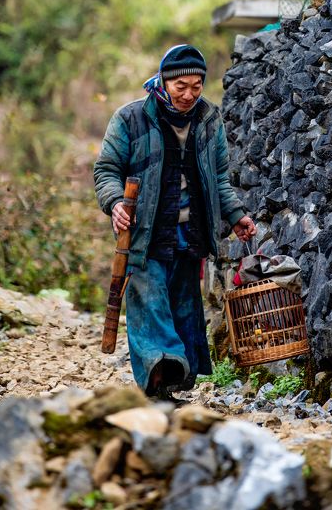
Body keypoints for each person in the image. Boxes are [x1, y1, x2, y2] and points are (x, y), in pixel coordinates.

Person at [94, 43, 256, 399]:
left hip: (189, 233)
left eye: (196, 86)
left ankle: (169, 385)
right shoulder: (131, 118)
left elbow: (220, 178)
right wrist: (115, 202)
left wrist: (236, 214)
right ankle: (155, 387)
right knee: (149, 302)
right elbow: (107, 169)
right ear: (164, 81)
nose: (188, 95)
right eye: (180, 86)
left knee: (183, 306)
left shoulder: (209, 119)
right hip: (145, 233)